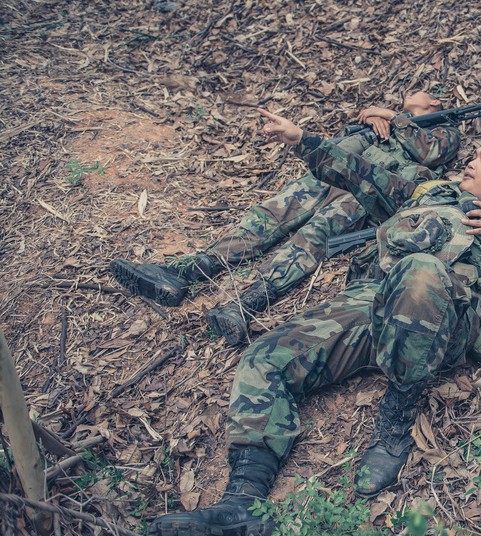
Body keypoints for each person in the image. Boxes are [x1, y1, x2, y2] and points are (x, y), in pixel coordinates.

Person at [145, 126, 481, 536]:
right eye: (472, 155)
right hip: (369, 305)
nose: (470, 162)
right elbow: (359, 172)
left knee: (421, 270)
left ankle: (395, 422)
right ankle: (243, 503)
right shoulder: (426, 196)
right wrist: (301, 139)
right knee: (265, 360)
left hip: (444, 325)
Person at [110, 91, 461, 346]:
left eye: (419, 93)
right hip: (330, 171)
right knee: (268, 216)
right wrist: (371, 115)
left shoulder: (444, 128)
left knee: (312, 237)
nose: (408, 95)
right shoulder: (382, 121)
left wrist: (389, 115)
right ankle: (188, 271)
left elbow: (430, 151)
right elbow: (346, 135)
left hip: (368, 187)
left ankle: (244, 306)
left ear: (436, 104)